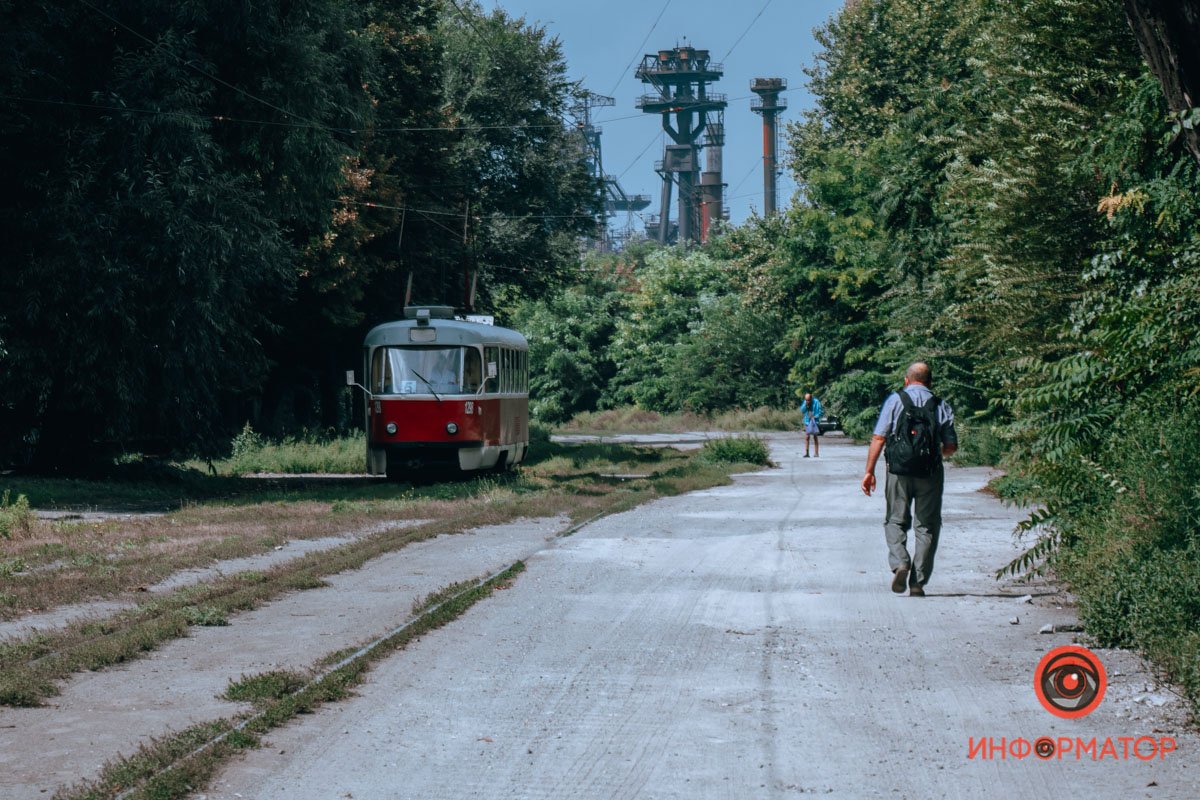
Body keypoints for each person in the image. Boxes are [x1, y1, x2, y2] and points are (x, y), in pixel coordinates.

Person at [860, 362, 958, 597]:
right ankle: (917, 582)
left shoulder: (895, 400)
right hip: (930, 474)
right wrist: (934, 456)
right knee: (927, 526)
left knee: (895, 520)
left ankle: (901, 562)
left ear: (906, 380)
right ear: (930, 382)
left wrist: (869, 471)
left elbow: (878, 437)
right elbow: (951, 446)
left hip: (898, 472)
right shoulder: (940, 404)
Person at [800, 392, 824, 457]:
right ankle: (807, 453)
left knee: (815, 436)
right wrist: (805, 405)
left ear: (811, 398)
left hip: (814, 421)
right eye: (806, 400)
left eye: (808, 400)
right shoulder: (805, 402)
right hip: (807, 421)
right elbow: (802, 410)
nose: (807, 401)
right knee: (807, 436)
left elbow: (821, 412)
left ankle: (816, 453)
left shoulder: (816, 402)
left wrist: (816, 416)